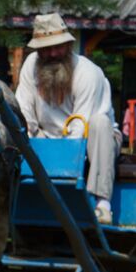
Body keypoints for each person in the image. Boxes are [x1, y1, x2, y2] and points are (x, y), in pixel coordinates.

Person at [15, 13, 120, 224]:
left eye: (58, 47)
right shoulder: (30, 66)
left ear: (68, 45)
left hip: (95, 140)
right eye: (46, 48)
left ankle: (102, 204)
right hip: (47, 137)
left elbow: (81, 127)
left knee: (99, 123)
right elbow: (23, 112)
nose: (53, 53)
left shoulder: (88, 73)